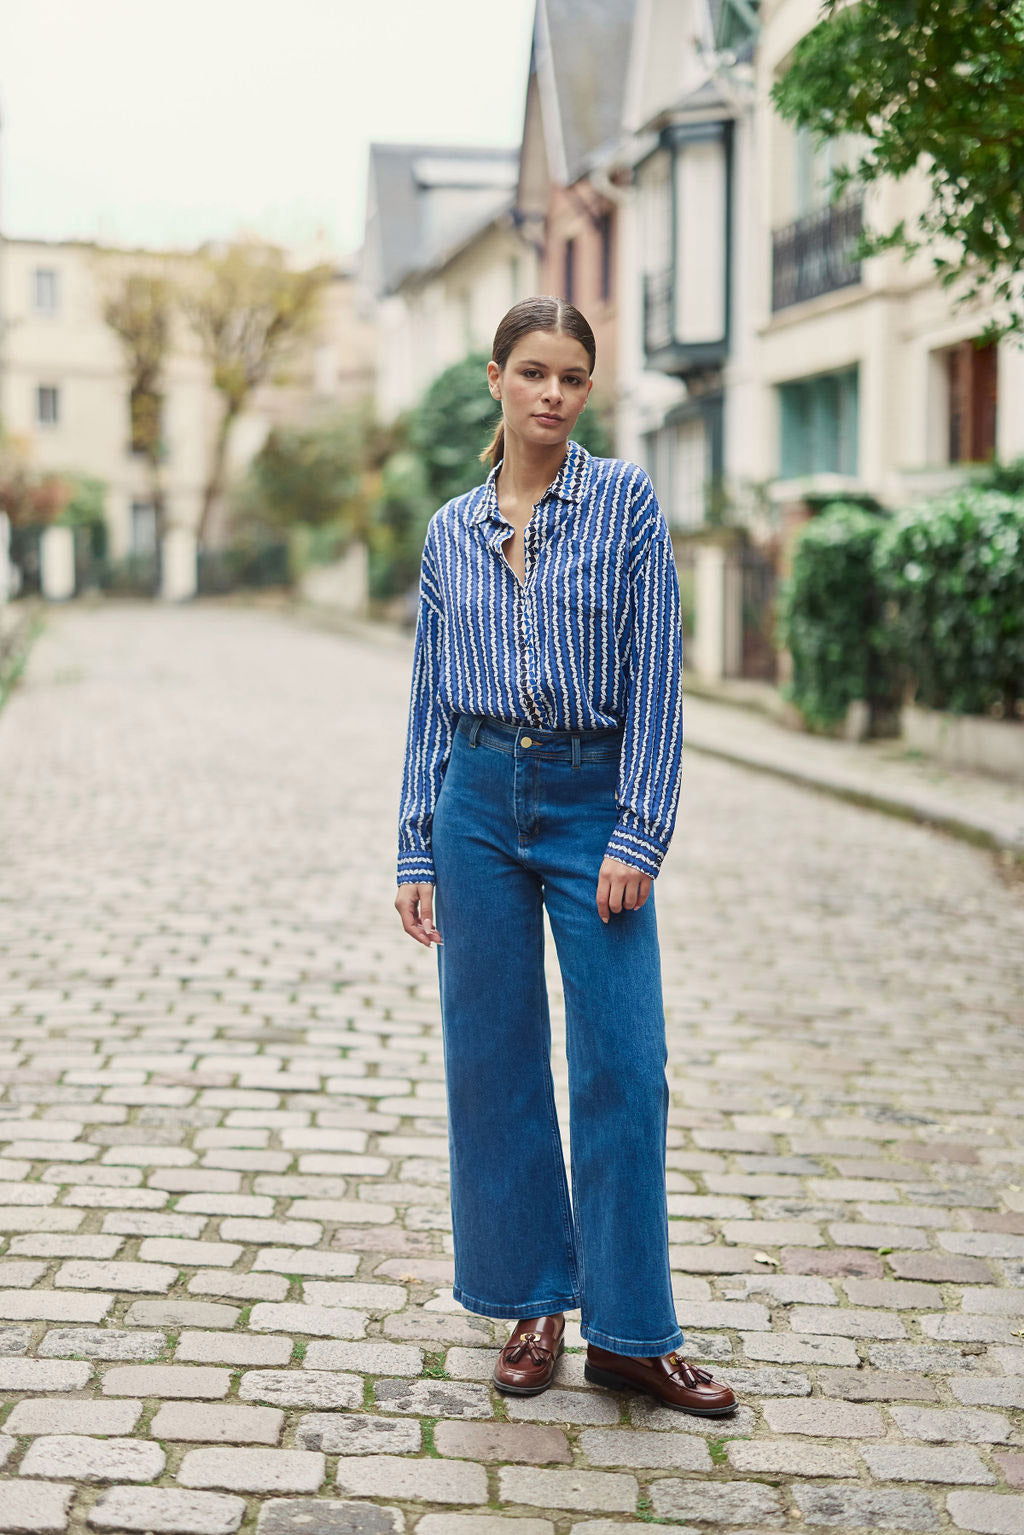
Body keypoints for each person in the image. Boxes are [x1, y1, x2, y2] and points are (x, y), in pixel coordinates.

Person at [394, 296, 736, 1418]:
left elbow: (657, 679)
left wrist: (640, 827)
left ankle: (634, 1332)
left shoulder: (626, 503)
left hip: (594, 799)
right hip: (480, 799)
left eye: (573, 377)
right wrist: (416, 846)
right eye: (533, 371)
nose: (552, 393)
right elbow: (427, 703)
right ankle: (533, 1301)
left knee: (625, 1066)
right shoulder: (450, 531)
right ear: (496, 378)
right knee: (491, 1061)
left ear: (587, 390)